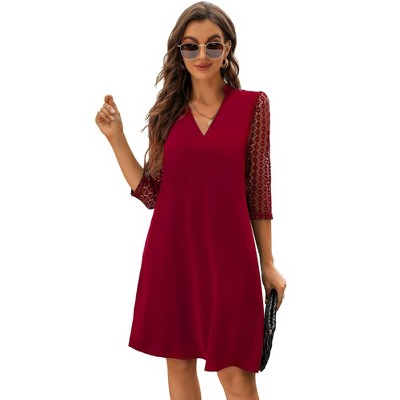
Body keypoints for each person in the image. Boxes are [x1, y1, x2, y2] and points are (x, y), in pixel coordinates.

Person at [95, 2, 286, 399]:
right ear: (179, 51)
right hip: (173, 255)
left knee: (237, 375)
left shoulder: (253, 105)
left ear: (227, 48)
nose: (202, 55)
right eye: (191, 46)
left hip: (230, 258)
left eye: (212, 45)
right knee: (179, 363)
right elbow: (153, 194)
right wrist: (116, 139)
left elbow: (258, 191)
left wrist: (267, 263)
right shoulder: (166, 115)